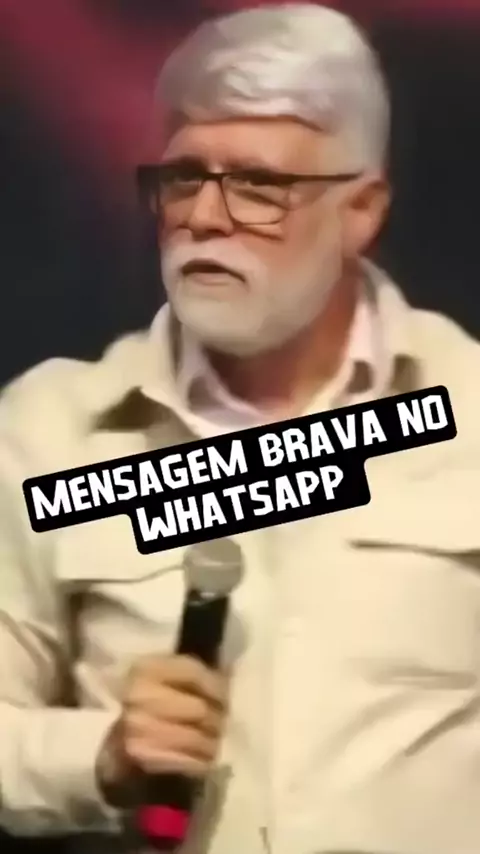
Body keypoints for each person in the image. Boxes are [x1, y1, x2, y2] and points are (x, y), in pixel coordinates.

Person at [0, 4, 479, 854]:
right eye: (185, 178)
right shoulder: (50, 432)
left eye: (258, 185)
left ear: (362, 210)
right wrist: (98, 757)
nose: (206, 217)